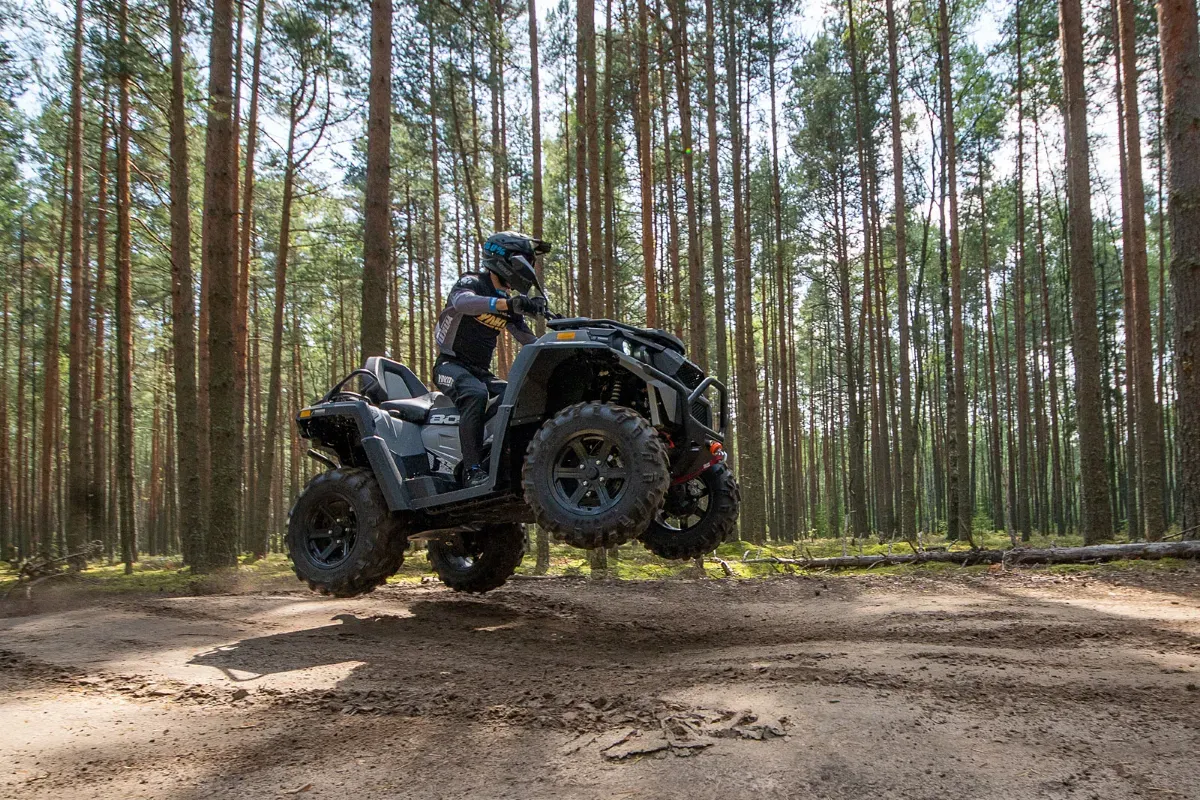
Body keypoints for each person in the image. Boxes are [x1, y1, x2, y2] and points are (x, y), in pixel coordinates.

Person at [433, 231, 550, 488]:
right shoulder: (473, 281)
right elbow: (462, 303)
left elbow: (529, 340)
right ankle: (472, 470)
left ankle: (496, 459)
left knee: (515, 395)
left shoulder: (507, 302)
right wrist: (506, 305)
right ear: (505, 261)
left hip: (480, 372)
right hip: (450, 365)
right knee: (475, 395)